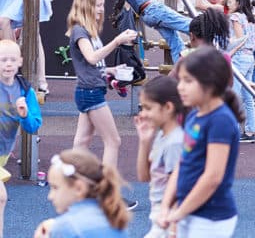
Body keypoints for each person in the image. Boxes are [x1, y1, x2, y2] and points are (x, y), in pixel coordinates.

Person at [157, 47, 242, 237]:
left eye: (188, 81)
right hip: (189, 211)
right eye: (181, 80)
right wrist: (166, 206)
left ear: (209, 84)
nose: (180, 86)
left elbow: (212, 177)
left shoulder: (220, 120)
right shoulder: (194, 115)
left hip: (211, 218)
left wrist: (178, 213)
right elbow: (183, 164)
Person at [67, 0, 138, 169]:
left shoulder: (86, 32)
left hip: (88, 90)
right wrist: (117, 41)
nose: (101, 9)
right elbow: (91, 58)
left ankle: (73, 183)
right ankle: (108, 191)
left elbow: (91, 65)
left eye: (102, 4)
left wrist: (112, 70)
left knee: (82, 141)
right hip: (90, 92)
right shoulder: (80, 32)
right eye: (98, 5)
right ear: (86, 6)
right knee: (113, 141)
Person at [34, 149, 130, 238]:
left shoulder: (65, 227)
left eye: (55, 188)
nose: (50, 196)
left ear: (79, 188)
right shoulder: (115, 220)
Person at [133, 76, 184, 238]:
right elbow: (144, 176)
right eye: (142, 108)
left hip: (169, 219)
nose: (143, 114)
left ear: (168, 107)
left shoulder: (175, 143)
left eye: (148, 108)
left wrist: (173, 230)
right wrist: (144, 142)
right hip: (159, 215)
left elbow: (179, 190)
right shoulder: (162, 135)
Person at [0, 39, 42, 237]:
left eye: (12, 59)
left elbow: (34, 125)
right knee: (1, 197)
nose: (7, 64)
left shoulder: (25, 90)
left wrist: (24, 115)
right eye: (2, 60)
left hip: (3, 153)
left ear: (20, 61)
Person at [227, 0, 255, 144]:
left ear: (238, 3)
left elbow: (240, 39)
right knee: (248, 94)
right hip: (250, 57)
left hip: (238, 57)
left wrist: (233, 51)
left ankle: (234, 130)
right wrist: (253, 46)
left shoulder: (236, 17)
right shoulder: (251, 19)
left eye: (231, 1)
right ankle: (250, 130)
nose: (228, 4)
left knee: (234, 93)